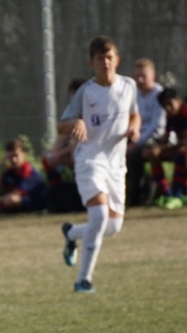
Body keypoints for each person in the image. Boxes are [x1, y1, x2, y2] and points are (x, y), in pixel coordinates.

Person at [58, 35, 140, 294]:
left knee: (112, 227)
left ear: (117, 59)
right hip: (89, 161)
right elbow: (62, 124)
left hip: (116, 165)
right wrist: (76, 123)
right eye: (99, 58)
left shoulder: (128, 86)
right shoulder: (87, 91)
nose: (105, 62)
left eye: (109, 57)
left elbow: (134, 114)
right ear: (92, 62)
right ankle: (84, 280)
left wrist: (135, 128)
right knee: (99, 216)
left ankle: (72, 234)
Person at [125, 58, 166, 207]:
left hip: (156, 139)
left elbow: (157, 127)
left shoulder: (159, 94)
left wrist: (136, 143)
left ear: (153, 75)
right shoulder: (134, 95)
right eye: (137, 77)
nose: (140, 80)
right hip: (137, 138)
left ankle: (139, 193)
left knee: (135, 155)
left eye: (144, 76)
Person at [42, 78, 86, 214]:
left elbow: (80, 144)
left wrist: (59, 154)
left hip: (89, 156)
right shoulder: (71, 116)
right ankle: (58, 200)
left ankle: (81, 199)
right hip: (74, 155)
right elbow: (62, 138)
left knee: (76, 155)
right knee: (47, 158)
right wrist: (52, 154)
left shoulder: (91, 115)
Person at [0, 138, 48, 213]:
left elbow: (17, 193)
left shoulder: (29, 171)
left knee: (11, 199)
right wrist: (1, 165)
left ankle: (0, 208)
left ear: (23, 154)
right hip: (9, 199)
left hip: (33, 201)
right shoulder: (11, 171)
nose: (14, 160)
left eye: (16, 156)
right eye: (11, 157)